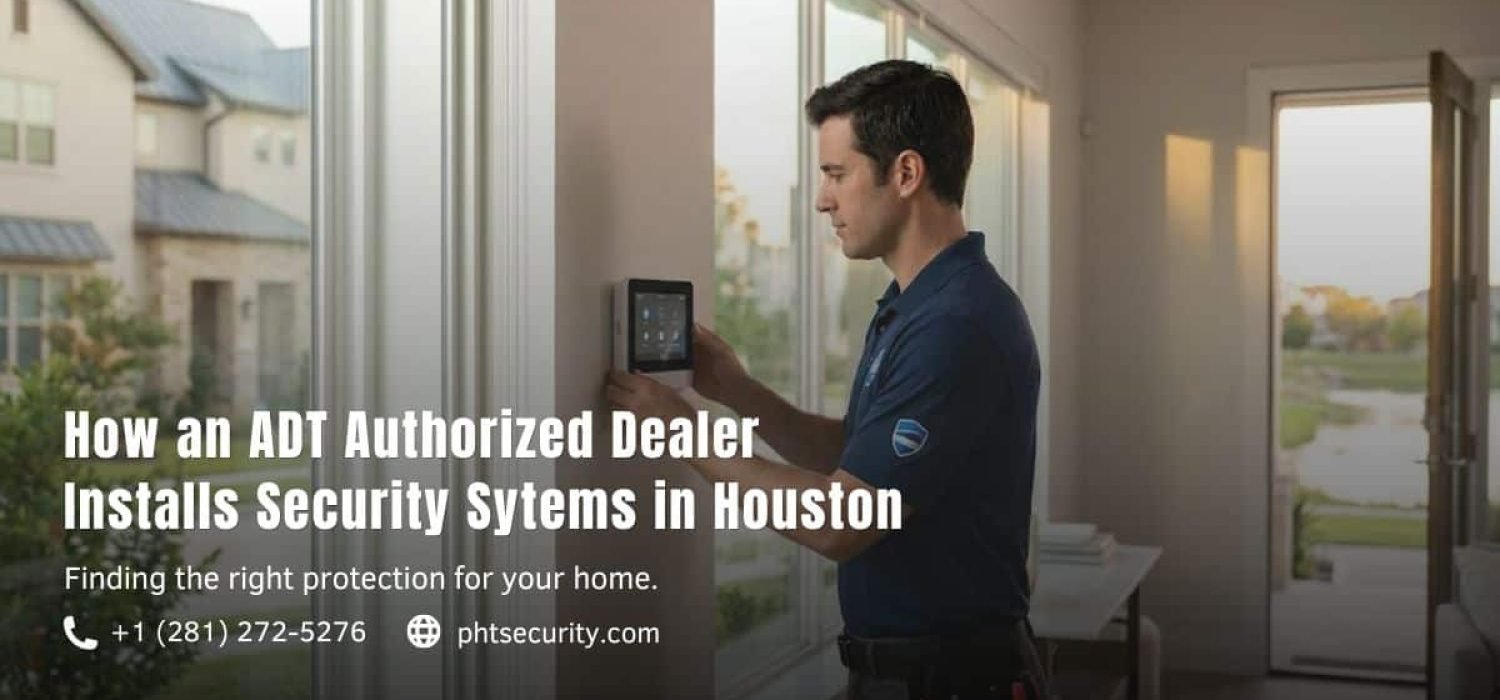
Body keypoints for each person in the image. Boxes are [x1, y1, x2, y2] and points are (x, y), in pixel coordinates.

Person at [606, 59, 1044, 699]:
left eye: (837, 174)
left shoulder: (956, 325)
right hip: (907, 673)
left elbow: (840, 521)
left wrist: (689, 438)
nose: (822, 198)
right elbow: (854, 455)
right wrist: (738, 391)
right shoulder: (915, 305)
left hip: (949, 680)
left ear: (906, 174)